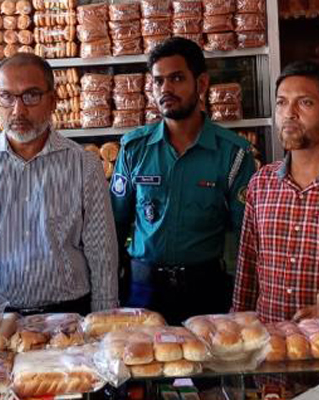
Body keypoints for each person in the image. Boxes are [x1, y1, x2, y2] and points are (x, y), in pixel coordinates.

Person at [0, 53, 118, 315]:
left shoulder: (84, 166)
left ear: (53, 101)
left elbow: (102, 254)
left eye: (31, 95)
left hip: (68, 315)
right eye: (7, 97)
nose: (18, 110)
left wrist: (103, 320)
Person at [110, 37, 256, 324]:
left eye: (176, 78)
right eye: (158, 81)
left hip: (206, 291)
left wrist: (242, 298)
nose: (165, 89)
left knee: (209, 367)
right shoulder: (134, 149)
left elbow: (246, 235)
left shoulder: (233, 153)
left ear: (201, 84)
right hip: (143, 288)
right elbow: (115, 224)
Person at [232, 61, 319, 323]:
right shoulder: (262, 184)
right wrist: (238, 328)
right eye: (281, 102)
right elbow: (247, 270)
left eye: (305, 103)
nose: (289, 113)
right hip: (269, 348)